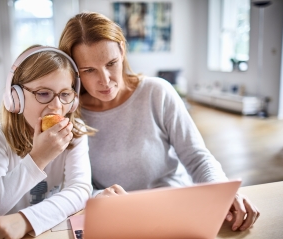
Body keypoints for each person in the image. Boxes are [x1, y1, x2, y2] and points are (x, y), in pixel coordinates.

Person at [59, 12, 260, 232]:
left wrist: (225, 193)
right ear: (73, 72)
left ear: (122, 51)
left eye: (111, 63)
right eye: (89, 70)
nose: (105, 80)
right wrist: (98, 197)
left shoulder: (157, 92)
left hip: (176, 210)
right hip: (121, 220)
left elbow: (197, 157)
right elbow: (76, 186)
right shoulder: (72, 113)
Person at [0, 45, 94, 238]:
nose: (57, 106)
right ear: (15, 98)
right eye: (43, 93)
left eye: (65, 94)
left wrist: (26, 220)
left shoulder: (74, 133)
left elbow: (80, 190)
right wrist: (37, 159)